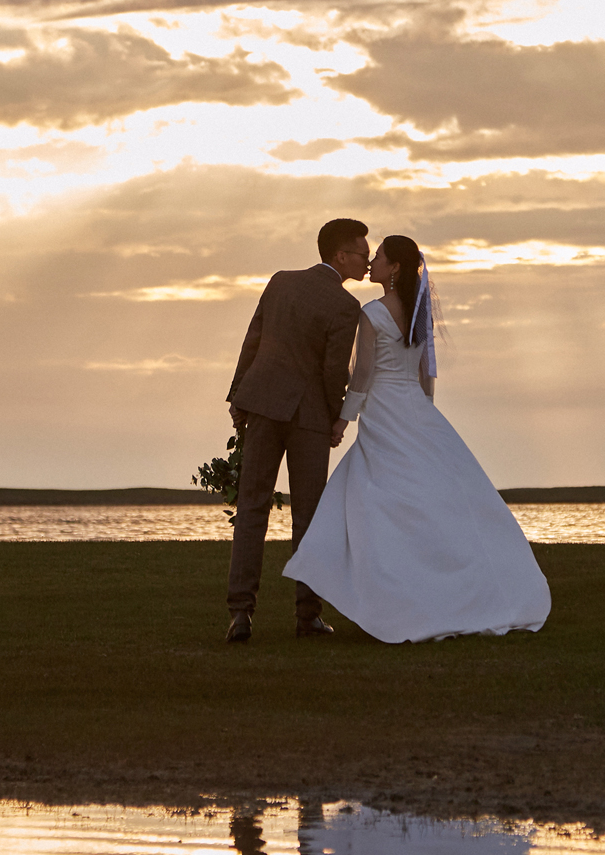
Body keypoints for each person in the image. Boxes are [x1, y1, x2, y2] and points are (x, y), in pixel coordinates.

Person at [283, 234, 550, 643]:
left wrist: (343, 420)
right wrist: (424, 413)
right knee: (425, 495)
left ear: (396, 269)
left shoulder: (372, 313)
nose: (371, 262)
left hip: (384, 411)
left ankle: (389, 592)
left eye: (380, 258)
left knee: (374, 498)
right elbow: (426, 374)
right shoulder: (418, 312)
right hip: (414, 409)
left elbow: (363, 375)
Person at [223, 218, 369, 643]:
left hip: (263, 406)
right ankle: (307, 616)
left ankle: (240, 613)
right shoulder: (346, 307)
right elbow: (332, 370)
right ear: (340, 255)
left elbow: (254, 339)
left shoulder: (280, 281)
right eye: (362, 253)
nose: (366, 260)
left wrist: (239, 395)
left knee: (251, 510)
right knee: (308, 517)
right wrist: (335, 418)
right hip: (307, 417)